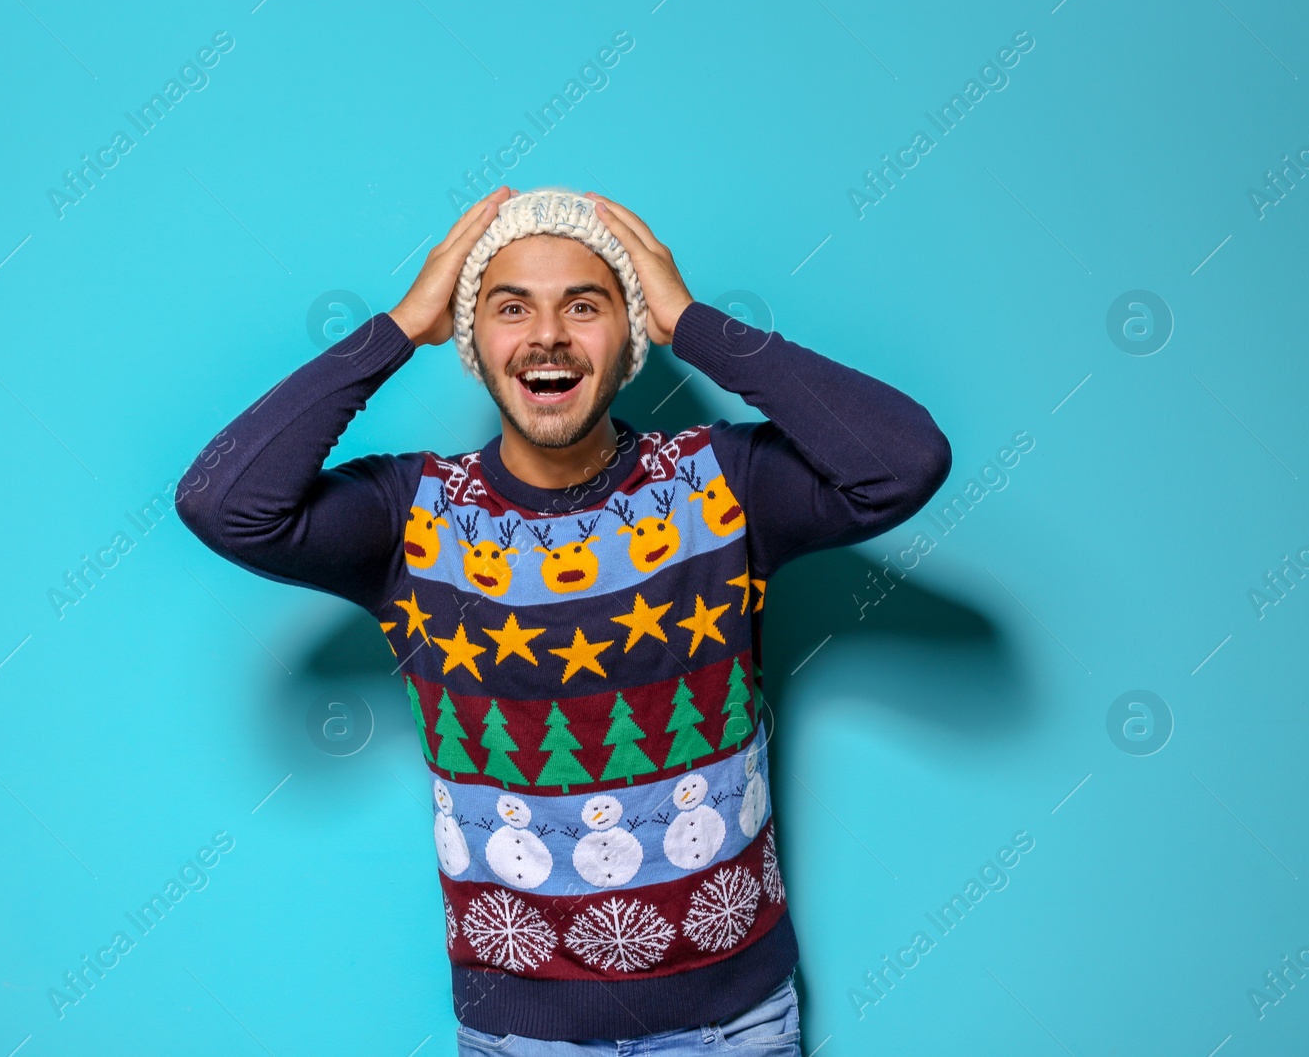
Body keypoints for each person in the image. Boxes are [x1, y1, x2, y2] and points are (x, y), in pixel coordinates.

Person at [176, 186, 952, 1055]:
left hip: (735, 1025)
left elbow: (905, 460)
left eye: (584, 305)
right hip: (525, 1037)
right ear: (475, 343)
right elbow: (222, 502)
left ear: (629, 336)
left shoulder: (720, 484)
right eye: (511, 308)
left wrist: (693, 322)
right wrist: (398, 326)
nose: (547, 335)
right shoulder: (413, 515)